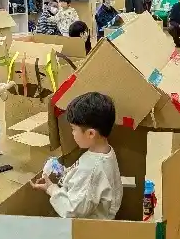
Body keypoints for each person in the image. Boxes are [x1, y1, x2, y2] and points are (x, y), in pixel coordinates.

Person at [30, 92, 123, 220]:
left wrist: (52, 189)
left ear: (91, 134)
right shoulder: (106, 152)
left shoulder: (91, 170)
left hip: (88, 227)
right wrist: (65, 173)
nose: (72, 133)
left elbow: (71, 211)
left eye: (73, 129)